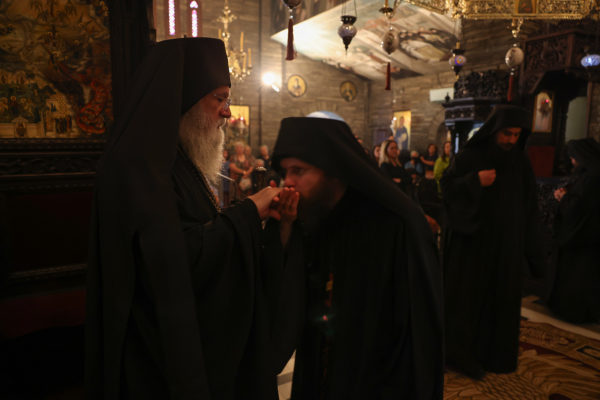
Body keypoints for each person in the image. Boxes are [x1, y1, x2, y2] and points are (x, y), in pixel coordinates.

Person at [86, 38, 303, 400]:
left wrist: (267, 223)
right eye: (220, 99)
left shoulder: (176, 160)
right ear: (183, 98)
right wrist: (249, 212)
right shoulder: (139, 167)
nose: (227, 114)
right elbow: (171, 261)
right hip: (154, 358)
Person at [271, 117, 444, 399]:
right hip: (324, 362)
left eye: (298, 171)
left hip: (374, 374)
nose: (287, 182)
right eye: (284, 172)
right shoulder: (315, 213)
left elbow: (415, 326)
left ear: (332, 169)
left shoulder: (395, 223)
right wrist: (285, 229)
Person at [441, 104, 544, 380]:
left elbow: (529, 205)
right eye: (506, 134)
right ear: (494, 130)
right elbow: (447, 189)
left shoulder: (520, 161)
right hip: (473, 246)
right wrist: (474, 181)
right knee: (470, 301)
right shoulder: (470, 156)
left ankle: (497, 357)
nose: (511, 140)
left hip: (507, 247)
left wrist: (530, 247)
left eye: (516, 135)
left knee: (502, 300)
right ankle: (463, 356)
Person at [547, 138, 600, 323]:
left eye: (573, 158)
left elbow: (579, 207)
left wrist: (563, 198)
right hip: (592, 237)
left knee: (576, 276)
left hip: (581, 238)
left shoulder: (590, 177)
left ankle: (572, 312)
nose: (572, 161)